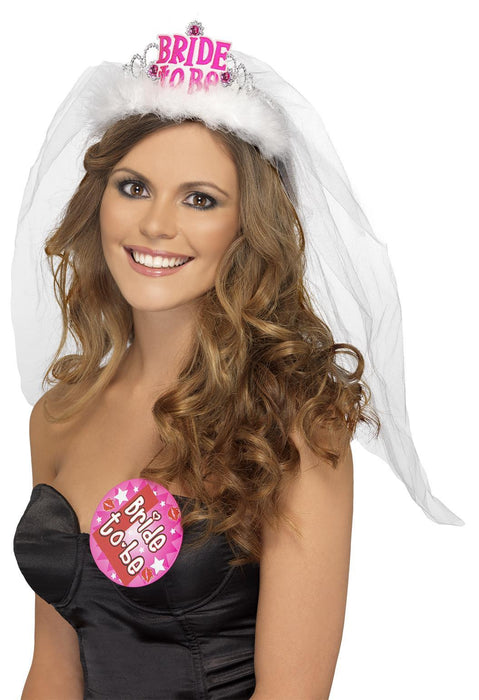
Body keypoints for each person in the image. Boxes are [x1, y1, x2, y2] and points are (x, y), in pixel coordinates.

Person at [12, 21, 463, 700]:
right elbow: (52, 672)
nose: (156, 224)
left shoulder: (290, 421)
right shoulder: (58, 415)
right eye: (133, 187)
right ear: (96, 201)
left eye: (200, 199)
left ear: (246, 227)